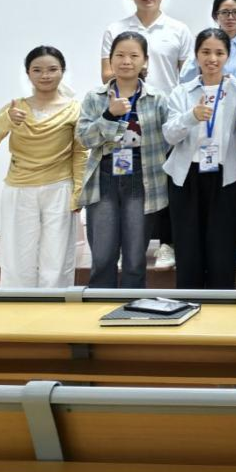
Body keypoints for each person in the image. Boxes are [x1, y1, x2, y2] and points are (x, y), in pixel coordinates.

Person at [100, 0, 193, 272]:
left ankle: (168, 243)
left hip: (165, 114)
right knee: (128, 180)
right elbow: (106, 73)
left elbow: (185, 77)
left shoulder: (179, 30)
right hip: (127, 114)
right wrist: (134, 77)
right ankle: (125, 245)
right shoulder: (116, 29)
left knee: (167, 179)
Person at [0, 45, 85, 288]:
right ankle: (17, 307)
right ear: (27, 73)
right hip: (19, 188)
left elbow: (80, 153)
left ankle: (54, 307)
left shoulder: (74, 108)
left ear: (63, 71)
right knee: (17, 258)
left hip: (60, 188)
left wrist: (79, 191)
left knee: (57, 259)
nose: (45, 75)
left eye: (52, 69)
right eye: (37, 70)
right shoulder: (15, 107)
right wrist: (6, 121)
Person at [78, 31, 171, 289]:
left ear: (145, 61)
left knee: (134, 259)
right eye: (119, 55)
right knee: (102, 256)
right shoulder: (95, 97)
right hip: (104, 177)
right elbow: (84, 139)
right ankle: (99, 308)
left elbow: (169, 138)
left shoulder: (158, 98)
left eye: (133, 55)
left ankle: (132, 308)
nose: (126, 61)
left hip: (142, 178)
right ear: (110, 60)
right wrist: (109, 115)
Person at [162, 28, 236, 290]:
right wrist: (191, 116)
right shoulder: (181, 92)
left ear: (228, 56)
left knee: (222, 250)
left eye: (219, 53)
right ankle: (189, 306)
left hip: (226, 177)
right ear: (196, 55)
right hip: (186, 177)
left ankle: (220, 310)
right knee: (188, 250)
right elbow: (169, 135)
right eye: (206, 52)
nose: (212, 58)